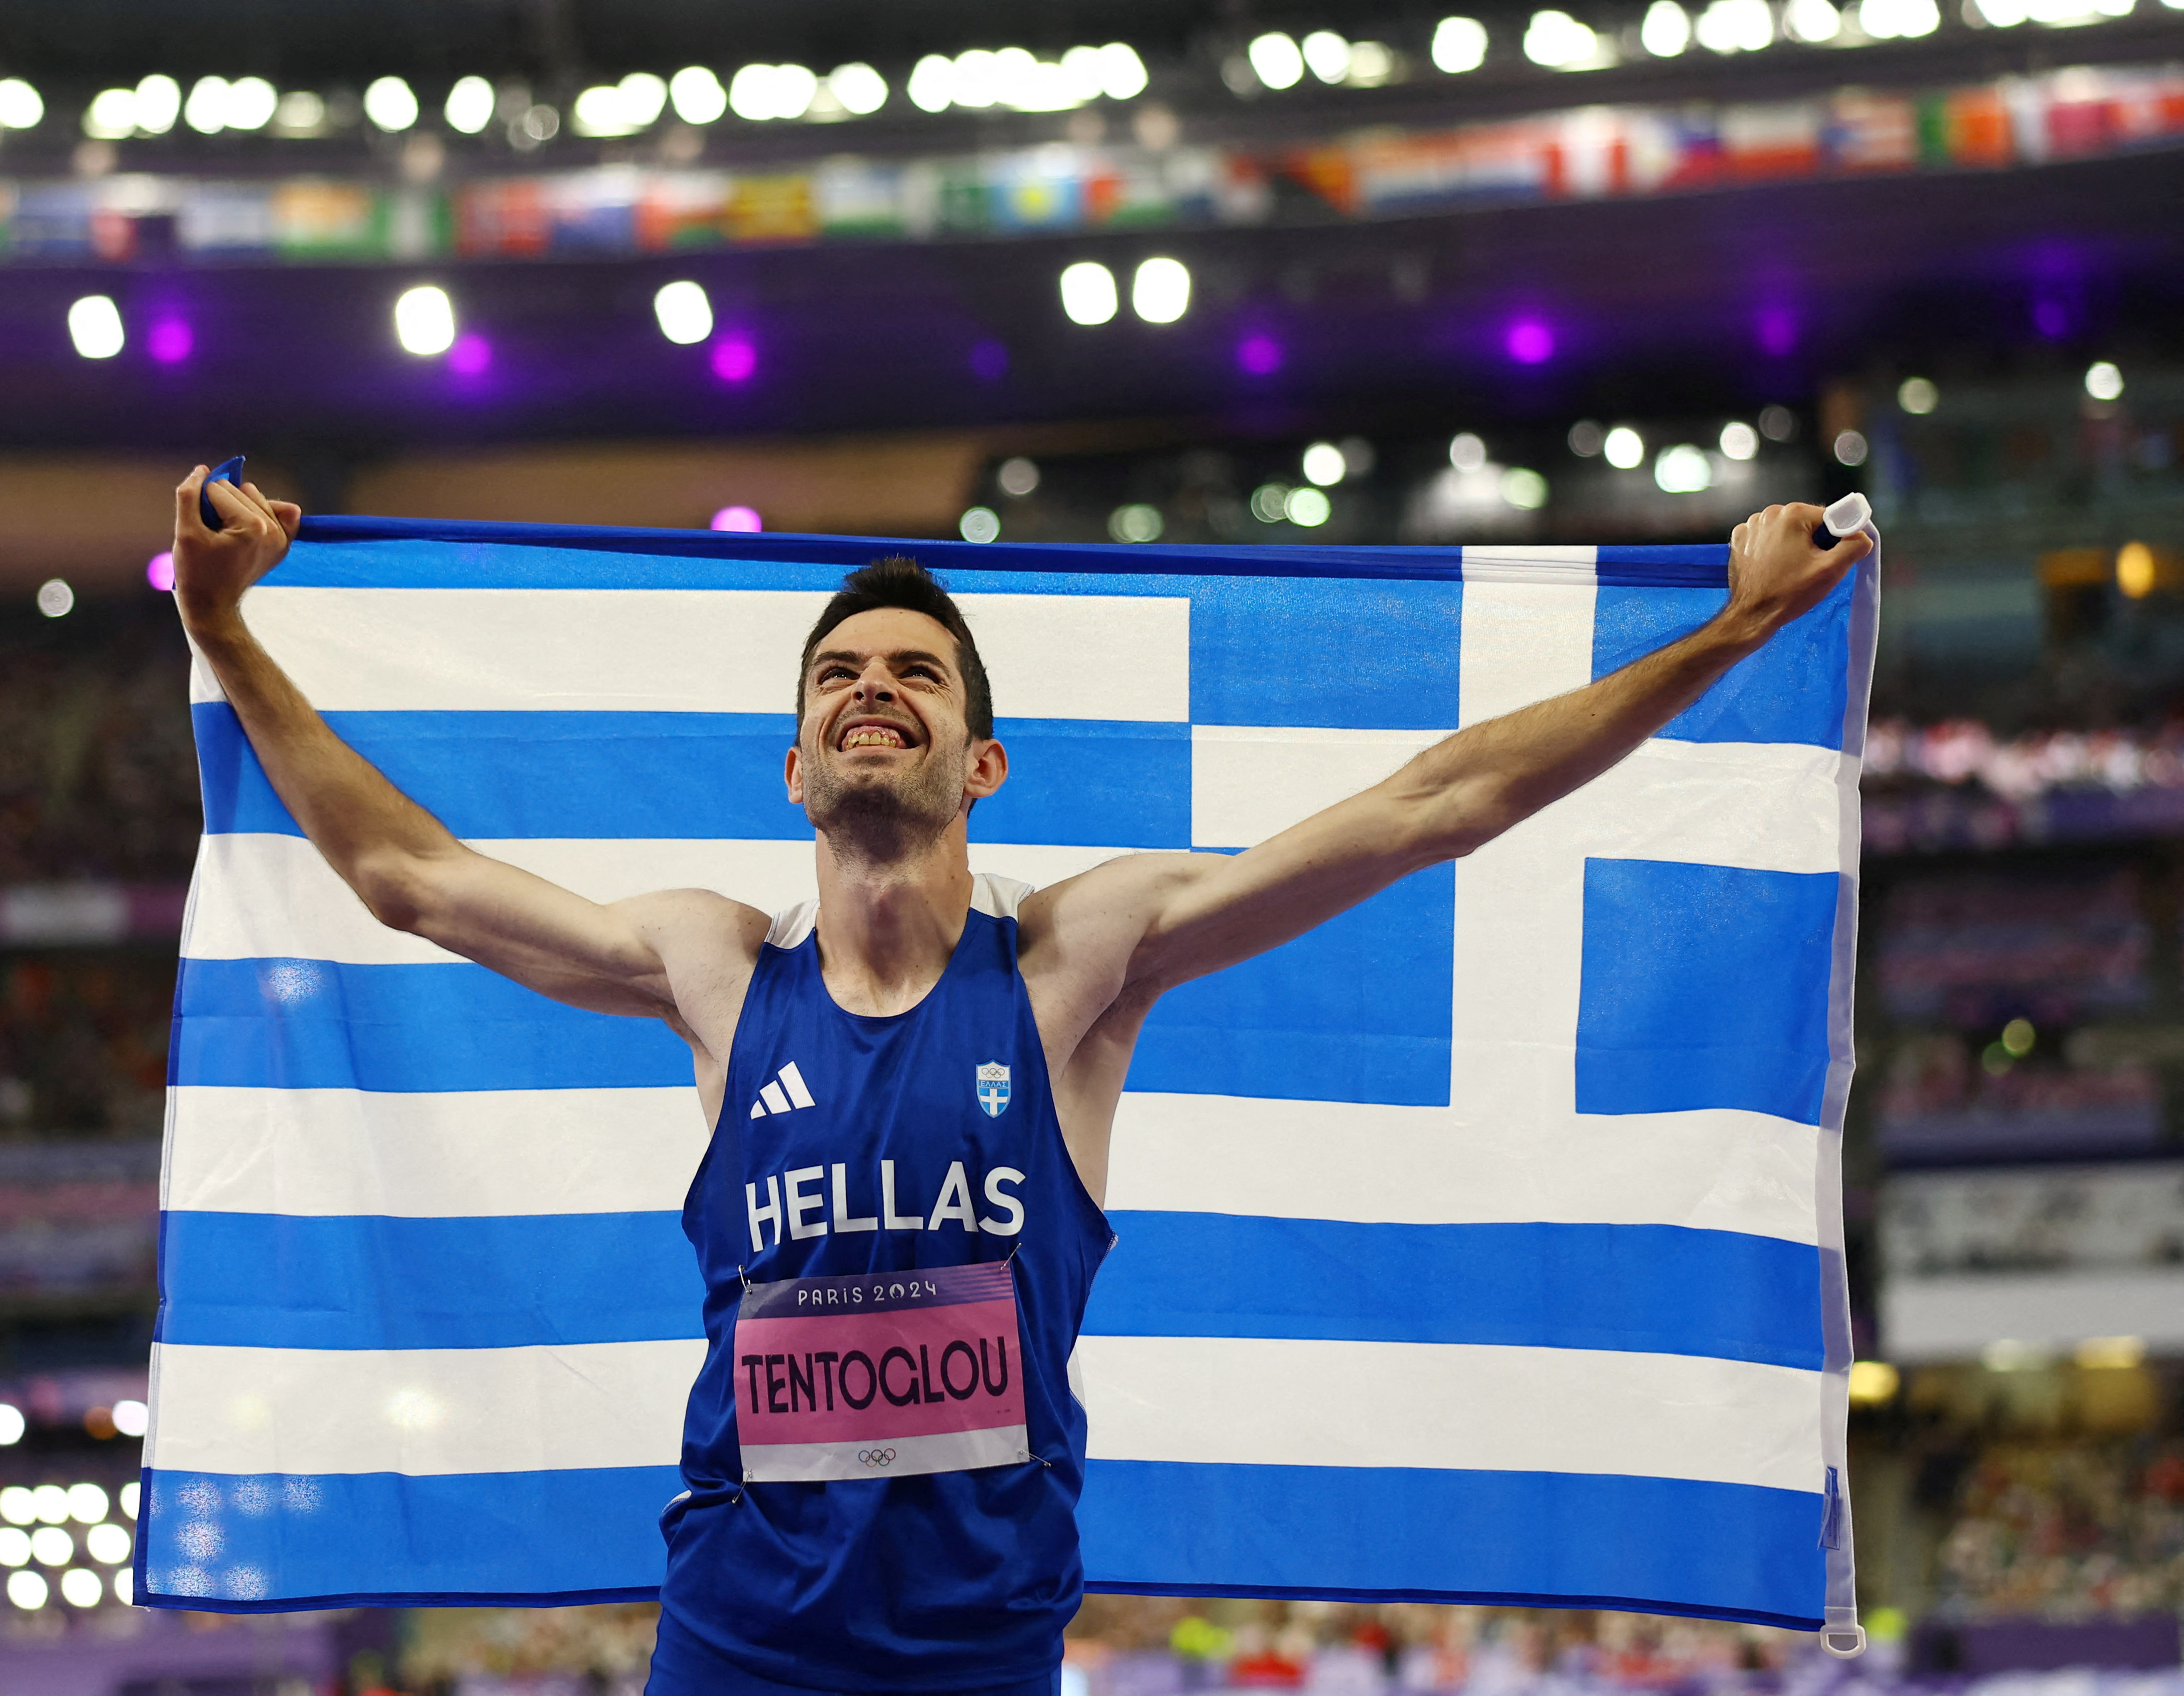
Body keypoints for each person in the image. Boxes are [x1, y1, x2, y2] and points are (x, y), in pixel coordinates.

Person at [169, 468, 1868, 1696]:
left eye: (912, 673)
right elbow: (407, 876)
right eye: (838, 675)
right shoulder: (712, 972)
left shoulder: (1075, 965)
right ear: (792, 764)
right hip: (736, 1647)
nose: (870, 691)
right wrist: (221, 629)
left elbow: (1432, 806)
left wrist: (1727, 632)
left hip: (978, 1655)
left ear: (979, 759)